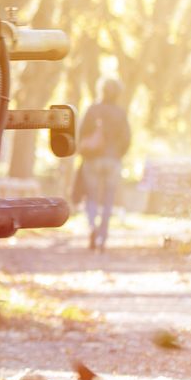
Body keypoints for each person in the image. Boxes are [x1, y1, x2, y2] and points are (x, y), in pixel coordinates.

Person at [75, 77, 131, 252]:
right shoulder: (121, 113)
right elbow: (127, 138)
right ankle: (102, 237)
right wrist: (118, 154)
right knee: (108, 199)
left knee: (91, 196)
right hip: (113, 160)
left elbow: (81, 134)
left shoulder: (92, 110)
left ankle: (92, 225)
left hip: (92, 159)